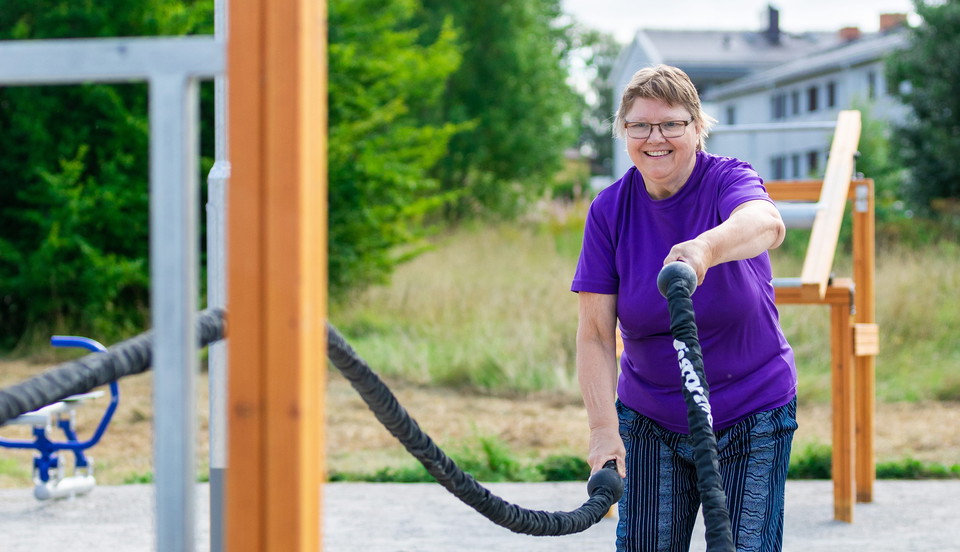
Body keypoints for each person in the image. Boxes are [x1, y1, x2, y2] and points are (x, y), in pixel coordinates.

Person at [571, 64, 798, 552]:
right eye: (639, 126)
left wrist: (705, 250)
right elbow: (593, 332)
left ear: (697, 128)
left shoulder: (727, 180)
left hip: (750, 410)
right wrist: (602, 433)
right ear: (624, 133)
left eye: (672, 124)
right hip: (651, 417)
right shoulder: (609, 210)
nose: (656, 138)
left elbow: (766, 223)